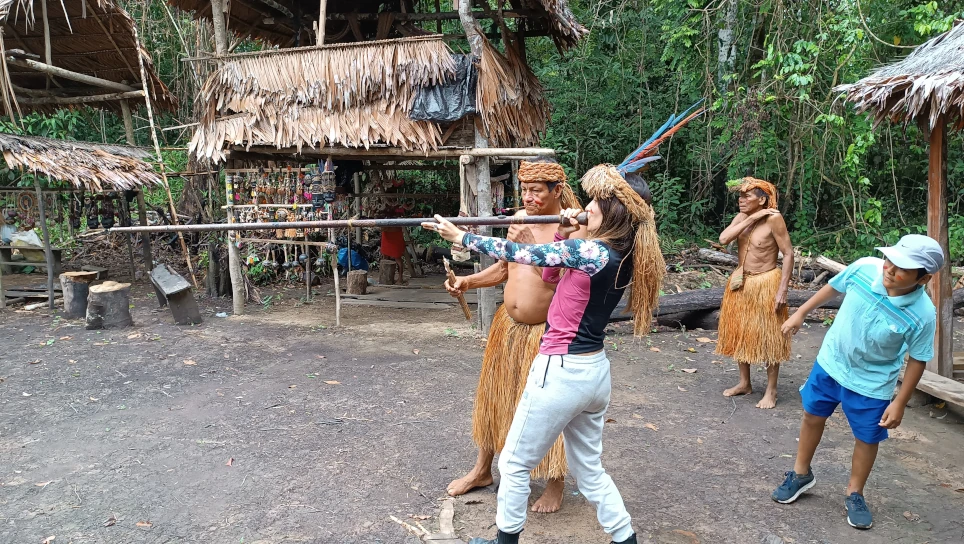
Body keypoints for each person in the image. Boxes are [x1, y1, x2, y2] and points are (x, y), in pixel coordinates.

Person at [423, 162, 666, 544]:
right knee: (590, 472)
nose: (587, 207)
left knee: (515, 463)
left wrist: (462, 235)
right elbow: (554, 274)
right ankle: (626, 540)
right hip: (593, 373)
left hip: (561, 369)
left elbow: (522, 256)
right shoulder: (619, 253)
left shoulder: (591, 251)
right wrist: (564, 234)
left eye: (595, 203)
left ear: (613, 211)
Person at [773, 234, 943, 530]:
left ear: (923, 278)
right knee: (813, 415)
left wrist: (899, 401)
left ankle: (855, 493)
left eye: (902, 267)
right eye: (890, 259)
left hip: (872, 383)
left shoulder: (923, 314)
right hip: (831, 362)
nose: (889, 268)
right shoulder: (865, 268)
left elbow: (918, 359)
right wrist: (801, 312)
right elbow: (832, 287)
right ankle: (801, 474)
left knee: (867, 437)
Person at [444, 157, 583, 513]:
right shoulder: (520, 219)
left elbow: (560, 277)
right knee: (495, 396)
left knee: (548, 406)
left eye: (537, 191)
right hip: (507, 329)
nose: (529, 197)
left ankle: (555, 482)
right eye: (525, 190)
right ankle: (482, 469)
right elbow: (506, 267)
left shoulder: (572, 226)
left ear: (557, 191)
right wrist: (468, 281)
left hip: (546, 334)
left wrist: (526, 246)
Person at [716, 177, 794, 409]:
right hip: (742, 281)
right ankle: (744, 383)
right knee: (740, 332)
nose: (741, 200)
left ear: (762, 200)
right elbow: (723, 239)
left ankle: (771, 390)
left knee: (770, 336)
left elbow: (788, 254)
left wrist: (782, 290)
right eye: (739, 196)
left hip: (766, 282)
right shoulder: (742, 217)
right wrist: (751, 217)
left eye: (746, 196)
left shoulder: (774, 219)